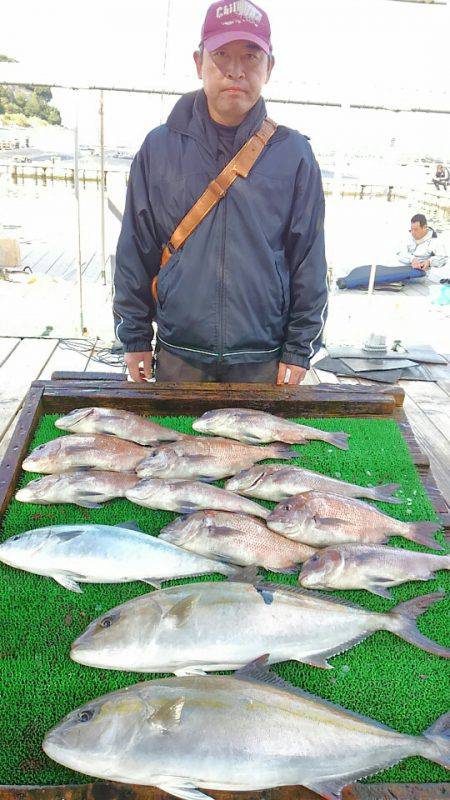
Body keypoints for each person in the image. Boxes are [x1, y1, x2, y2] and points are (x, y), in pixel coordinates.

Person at [113, 0, 328, 384]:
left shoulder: (295, 154)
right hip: (179, 355)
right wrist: (134, 337)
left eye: (250, 56)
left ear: (269, 67)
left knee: (266, 449)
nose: (235, 69)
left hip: (264, 358)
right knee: (171, 445)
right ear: (199, 62)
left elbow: (308, 259)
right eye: (221, 55)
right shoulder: (158, 148)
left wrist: (299, 348)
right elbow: (135, 247)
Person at [336, 213, 447, 290]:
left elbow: (443, 259)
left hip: (418, 272)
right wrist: (411, 259)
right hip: (402, 265)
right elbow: (399, 252)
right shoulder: (409, 237)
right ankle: (351, 274)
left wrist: (429, 262)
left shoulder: (435, 242)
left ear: (425, 227)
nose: (413, 232)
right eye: (411, 229)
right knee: (377, 267)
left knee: (383, 275)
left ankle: (348, 282)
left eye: (416, 230)